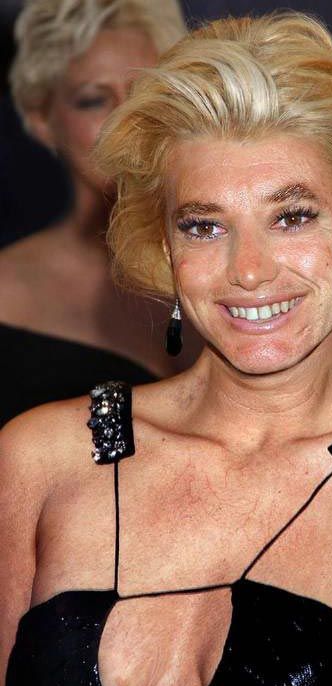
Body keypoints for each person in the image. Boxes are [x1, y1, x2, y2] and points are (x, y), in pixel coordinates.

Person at [1, 12, 332, 686]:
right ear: (167, 248)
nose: (250, 270)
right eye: (204, 226)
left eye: (292, 216)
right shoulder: (42, 458)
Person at [0, 0, 190, 426]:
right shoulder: (7, 294)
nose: (126, 120)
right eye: (93, 101)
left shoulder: (235, 260)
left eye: (146, 93)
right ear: (42, 120)